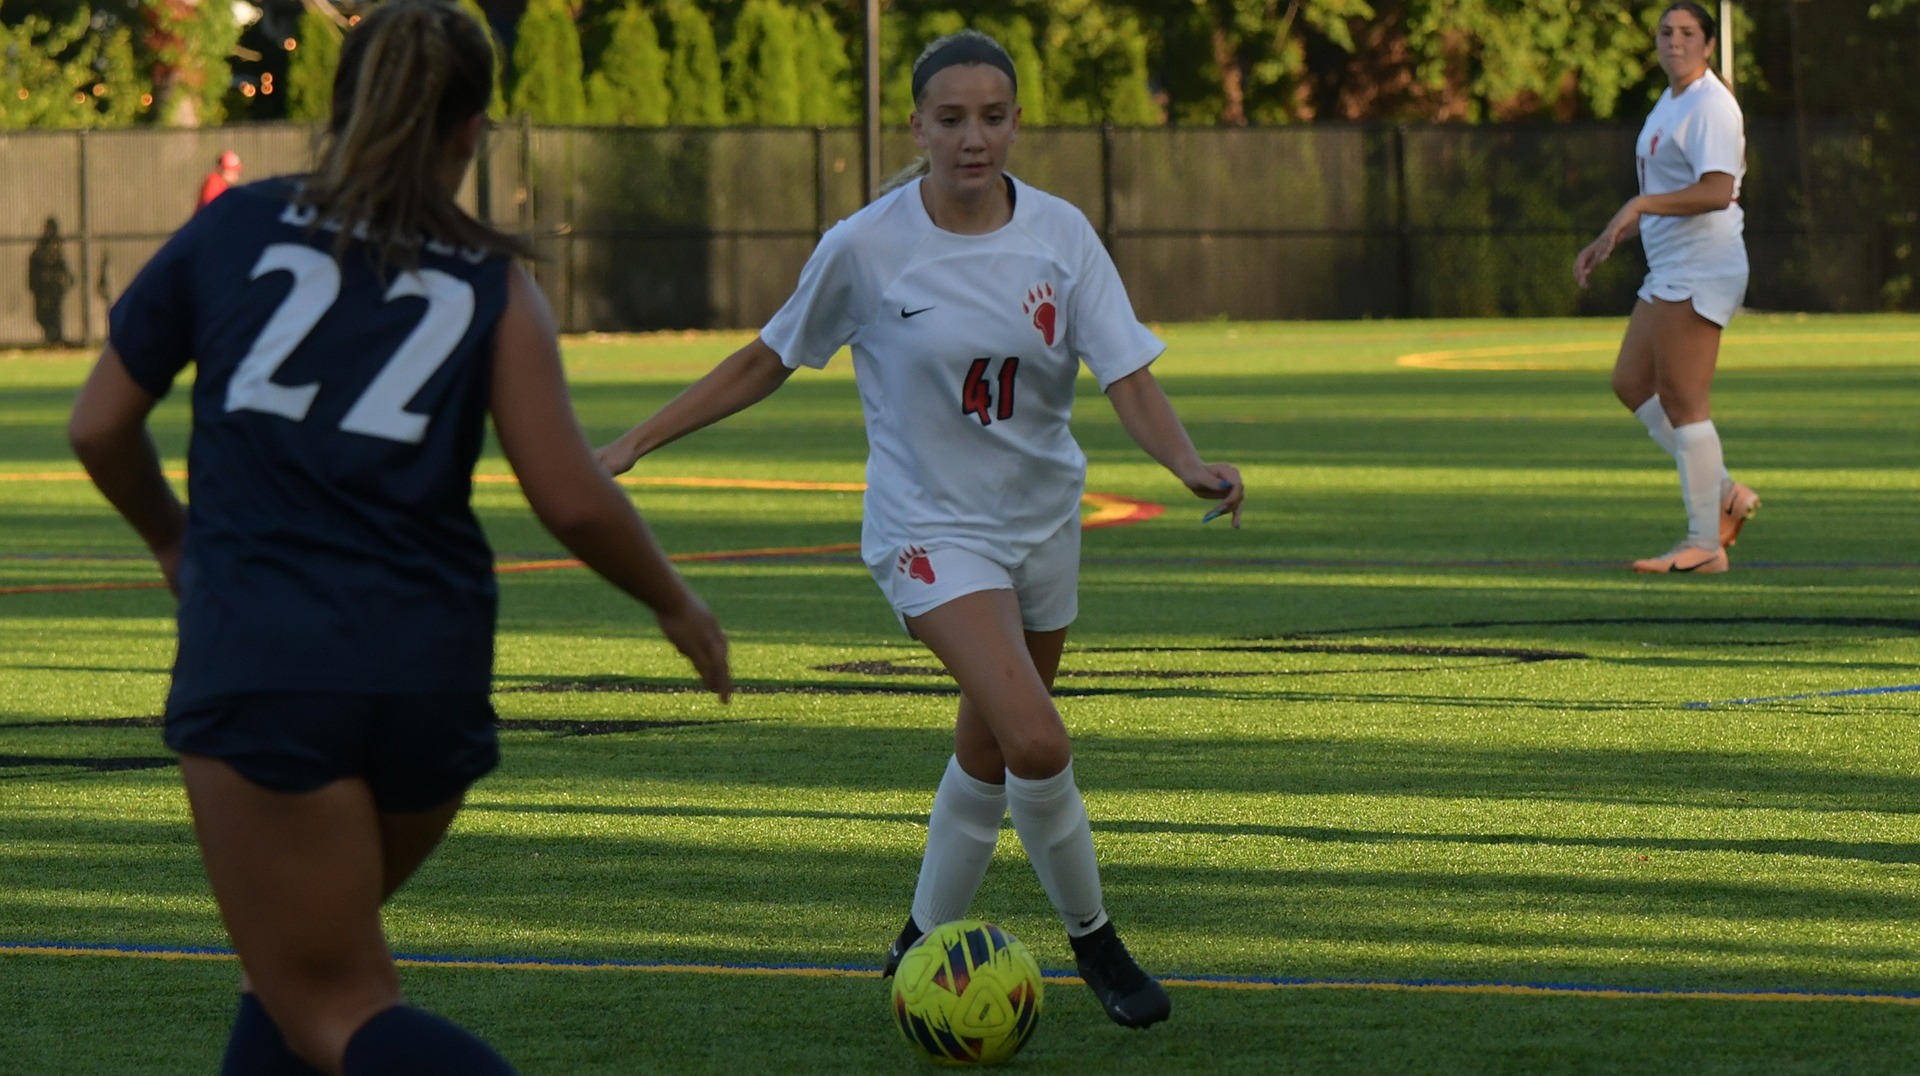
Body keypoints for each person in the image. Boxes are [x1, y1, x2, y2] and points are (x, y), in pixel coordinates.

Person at [67, 2, 731, 1073]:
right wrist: (673, 600)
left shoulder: (233, 227)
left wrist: (172, 539)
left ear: (336, 107)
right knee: (288, 977)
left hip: (270, 662)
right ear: (473, 133)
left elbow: (98, 425)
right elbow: (569, 493)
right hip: (430, 677)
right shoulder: (491, 278)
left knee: (331, 1000)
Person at [597, 28, 1243, 1030]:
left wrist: (1188, 463)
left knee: (989, 746)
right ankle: (1097, 940)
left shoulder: (1063, 235)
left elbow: (1127, 374)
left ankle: (916, 941)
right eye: (951, 119)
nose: (973, 138)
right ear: (918, 126)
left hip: (1043, 524)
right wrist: (636, 439)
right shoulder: (866, 245)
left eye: (993, 117)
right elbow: (765, 358)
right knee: (1036, 736)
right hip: (929, 529)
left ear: (1017, 123)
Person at [1574, 0, 1758, 574]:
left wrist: (1640, 204)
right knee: (1630, 382)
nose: (1673, 41)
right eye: (1665, 31)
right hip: (1671, 268)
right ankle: (1724, 491)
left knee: (1684, 402)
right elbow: (1665, 187)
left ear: (1707, 44)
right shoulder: (1672, 100)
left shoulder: (1711, 105)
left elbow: (1717, 190)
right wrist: (1616, 231)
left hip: (1704, 266)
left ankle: (1704, 544)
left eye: (1686, 33)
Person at [28, 216, 75, 345]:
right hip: (43, 288)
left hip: (54, 289)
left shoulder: (57, 247)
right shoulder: (41, 249)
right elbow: (36, 268)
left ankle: (56, 339)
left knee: (55, 315)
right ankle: (50, 339)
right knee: (43, 316)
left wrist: (66, 280)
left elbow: (62, 265)